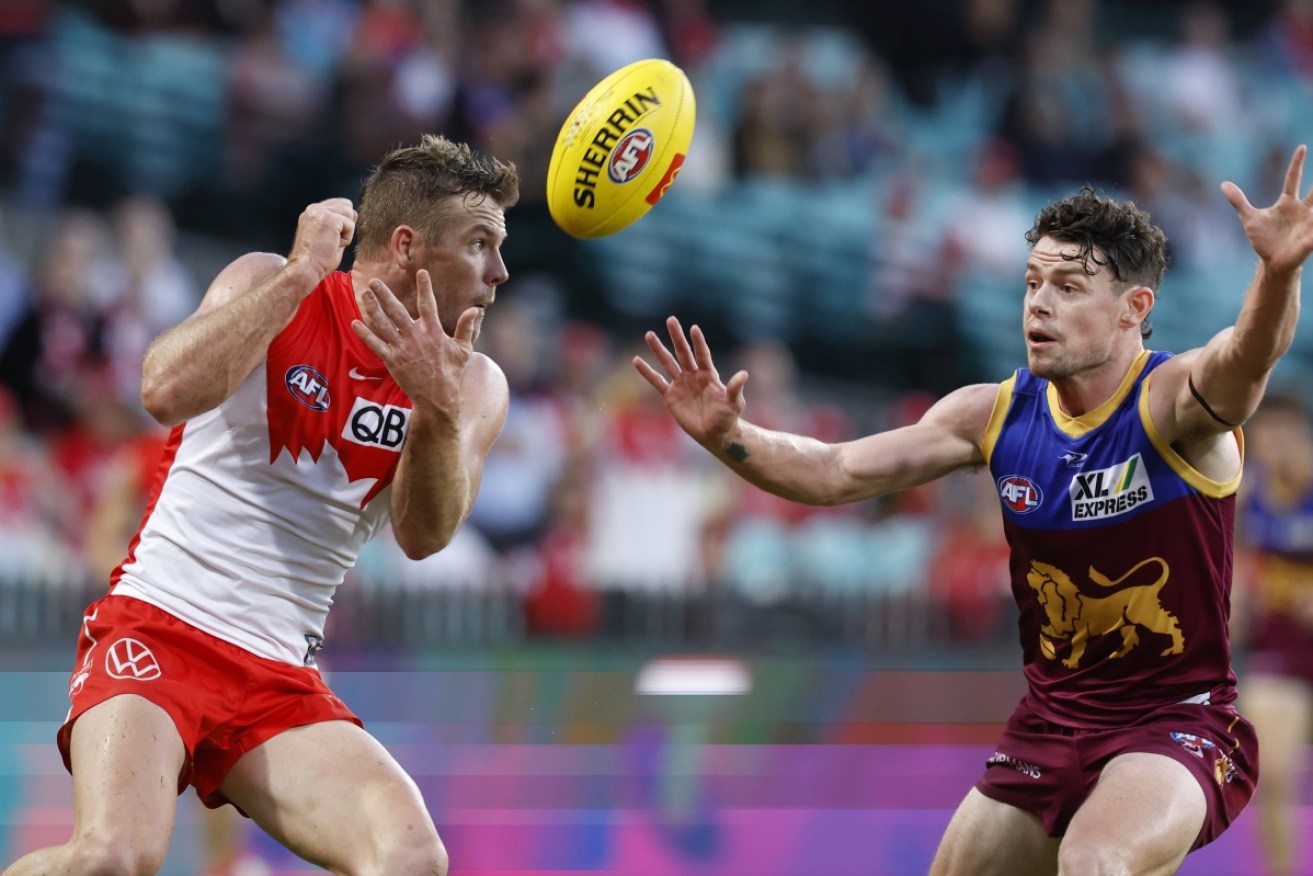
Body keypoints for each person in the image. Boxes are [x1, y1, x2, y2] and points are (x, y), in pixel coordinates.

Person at [633, 145, 1313, 875]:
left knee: (1094, 860)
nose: (1038, 304)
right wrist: (728, 436)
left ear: (1132, 309)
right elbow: (831, 472)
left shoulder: (1170, 402)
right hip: (1049, 726)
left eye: (1066, 286)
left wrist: (1276, 273)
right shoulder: (988, 415)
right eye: (1029, 283)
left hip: (1176, 723)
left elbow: (1244, 360)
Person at [3, 133, 518, 876]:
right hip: (160, 629)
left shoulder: (472, 385)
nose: (500, 272)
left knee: (411, 858)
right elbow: (163, 392)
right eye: (480, 245)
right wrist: (300, 277)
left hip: (278, 678)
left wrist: (434, 411)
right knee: (114, 856)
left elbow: (423, 535)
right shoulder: (271, 280)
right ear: (408, 247)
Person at [1235, 392, 1313, 876]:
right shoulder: (1245, 495)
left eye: (1286, 433)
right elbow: (1237, 569)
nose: (1276, 445)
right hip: (1279, 651)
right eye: (1267, 435)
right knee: (1275, 773)